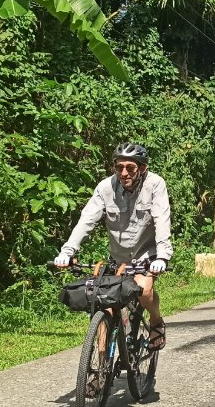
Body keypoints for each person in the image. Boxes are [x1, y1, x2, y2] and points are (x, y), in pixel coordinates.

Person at [54, 142, 171, 350]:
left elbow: (162, 219)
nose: (123, 173)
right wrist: (68, 251)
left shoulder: (155, 184)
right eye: (119, 167)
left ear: (142, 168)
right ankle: (98, 371)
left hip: (147, 255)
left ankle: (155, 321)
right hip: (118, 258)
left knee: (144, 290)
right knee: (103, 303)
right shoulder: (105, 187)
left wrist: (162, 257)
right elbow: (86, 220)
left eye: (130, 168)